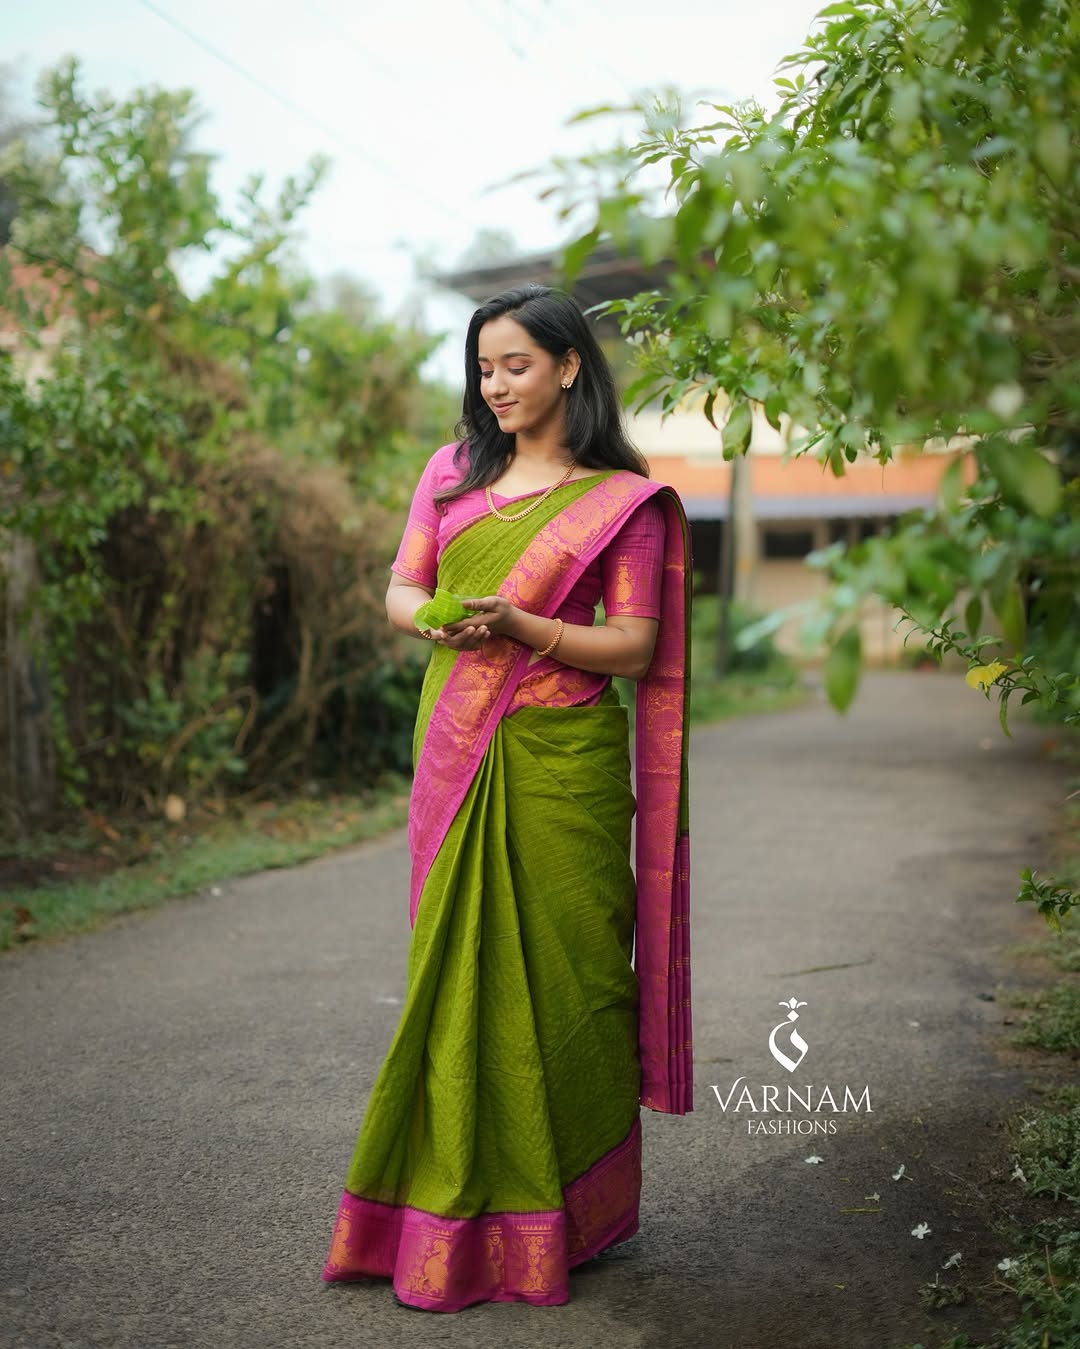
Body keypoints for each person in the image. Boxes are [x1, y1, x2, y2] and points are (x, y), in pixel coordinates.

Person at [322, 284, 693, 1313]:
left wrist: (526, 626)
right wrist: (432, 620)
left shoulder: (619, 497)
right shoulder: (450, 474)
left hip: (563, 759)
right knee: (457, 969)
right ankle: (442, 1208)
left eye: (515, 365)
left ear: (571, 365)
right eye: (483, 368)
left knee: (575, 974)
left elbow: (637, 644)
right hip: (456, 743)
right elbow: (402, 586)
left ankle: (567, 1216)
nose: (494, 387)